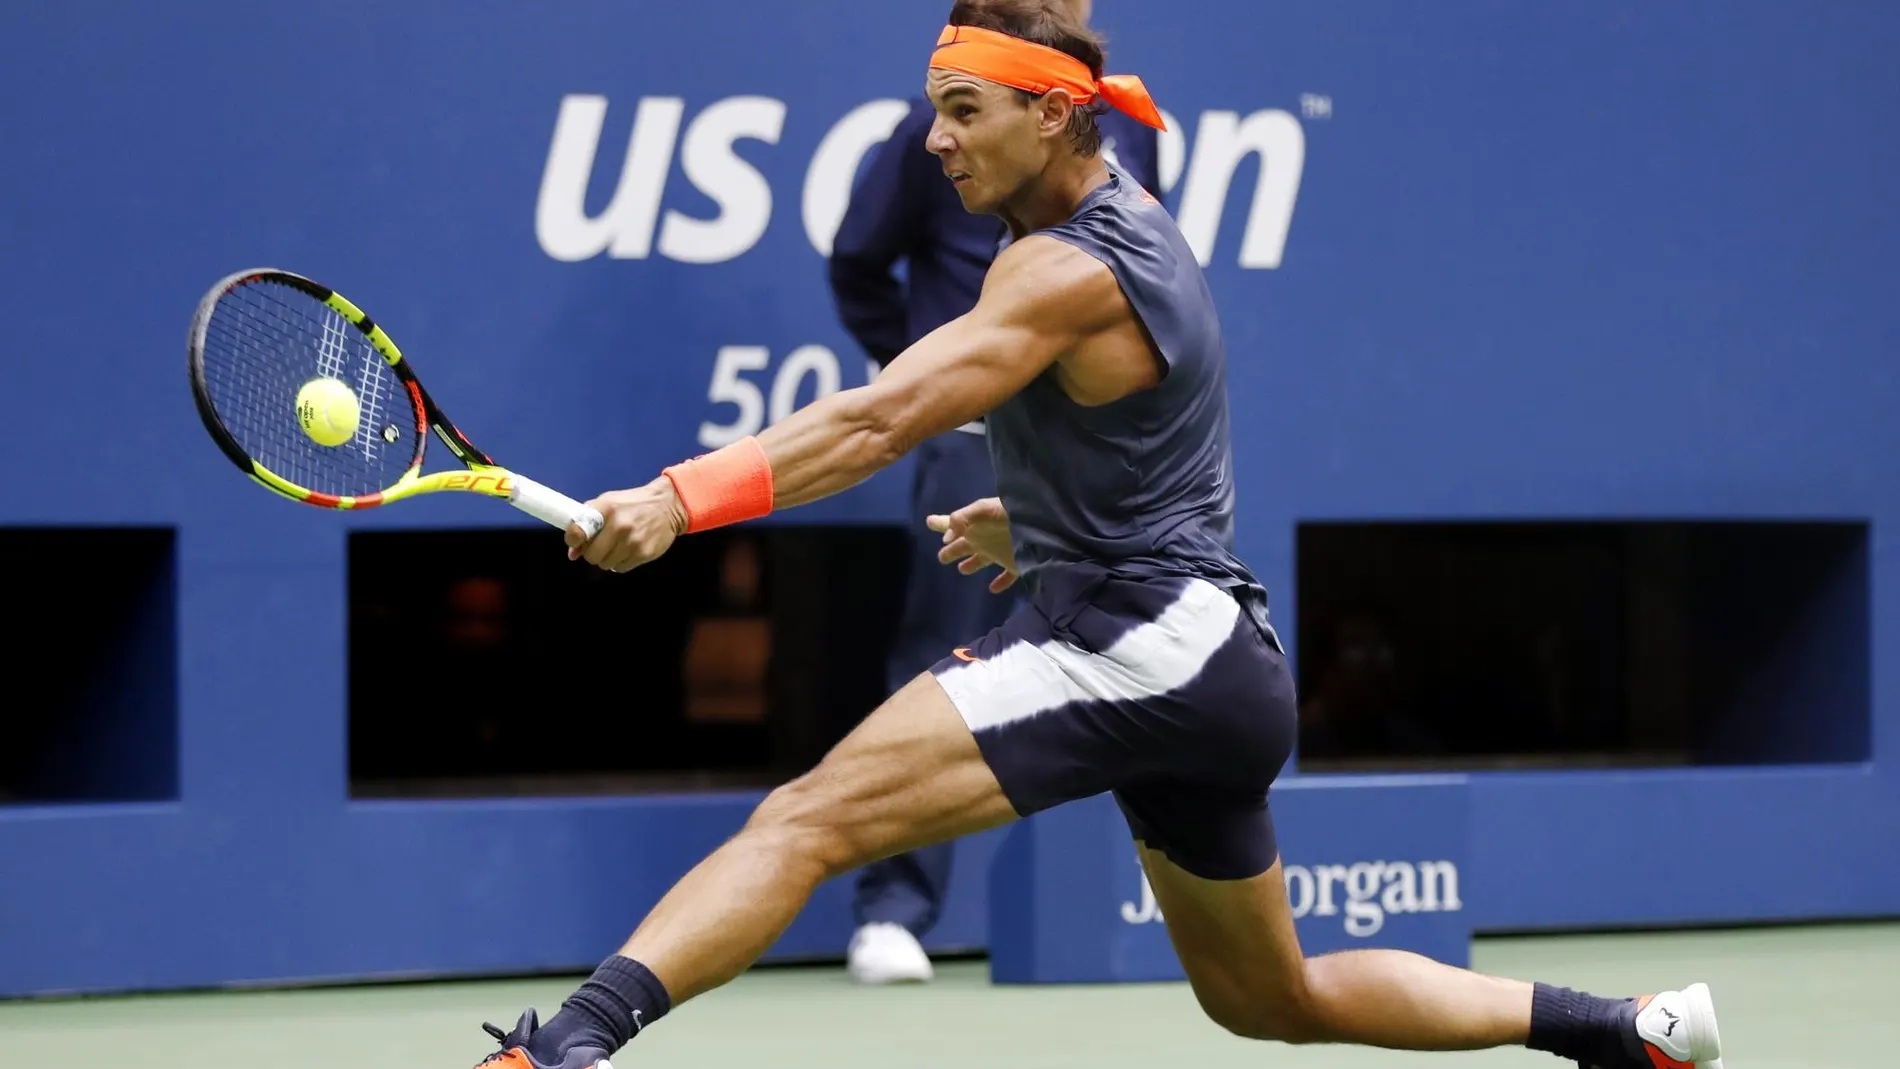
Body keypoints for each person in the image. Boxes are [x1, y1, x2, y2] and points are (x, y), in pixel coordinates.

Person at [476, 3, 1727, 1068]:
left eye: (964, 111)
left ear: (1054, 117)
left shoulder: (1064, 268)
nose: (933, 137)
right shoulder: (1121, 225)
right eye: (933, 106)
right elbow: (1155, 438)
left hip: (1140, 640)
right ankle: (1624, 1030)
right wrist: (1040, 521)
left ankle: (566, 1041)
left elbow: (881, 418)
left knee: (809, 818)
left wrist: (678, 499)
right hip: (1207, 653)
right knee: (1266, 999)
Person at [823, 0, 1160, 985]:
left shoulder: (1123, 130)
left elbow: (1143, 275)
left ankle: (1134, 895)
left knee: (1135, 650)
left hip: (1100, 444)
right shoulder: (946, 130)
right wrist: (933, 374)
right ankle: (892, 912)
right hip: (980, 437)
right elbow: (857, 260)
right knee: (946, 661)